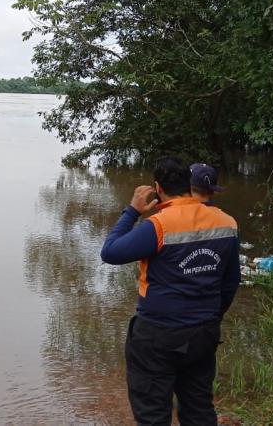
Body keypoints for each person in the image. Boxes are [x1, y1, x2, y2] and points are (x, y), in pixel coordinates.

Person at [101, 157, 240, 426]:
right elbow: (231, 280)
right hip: (204, 332)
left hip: (158, 336)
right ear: (190, 184)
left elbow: (110, 252)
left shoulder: (159, 225)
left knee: (153, 414)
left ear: (158, 188)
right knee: (199, 408)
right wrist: (212, 315)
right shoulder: (227, 222)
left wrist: (132, 211)